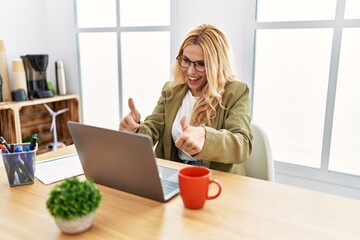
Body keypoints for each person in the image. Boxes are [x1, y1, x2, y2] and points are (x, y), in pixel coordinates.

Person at [119, 24, 252, 175]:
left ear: (217, 65)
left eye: (201, 64)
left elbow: (243, 144)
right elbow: (152, 131)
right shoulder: (171, 90)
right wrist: (135, 129)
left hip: (219, 180)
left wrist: (205, 136)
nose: (190, 71)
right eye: (186, 60)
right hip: (176, 175)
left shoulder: (236, 91)